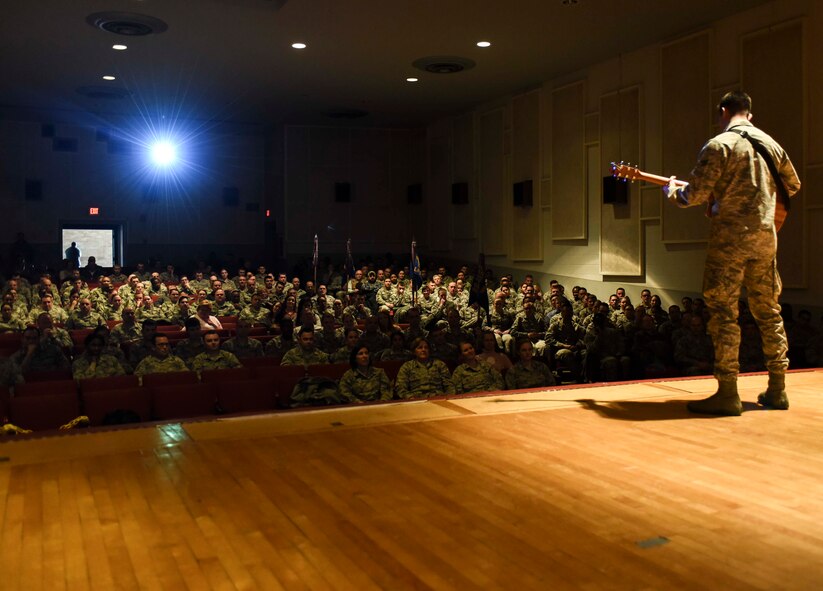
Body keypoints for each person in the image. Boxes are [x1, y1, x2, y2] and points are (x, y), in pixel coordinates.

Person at [664, 91, 801, 415]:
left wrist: (673, 191)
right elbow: (792, 186)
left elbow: (694, 194)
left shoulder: (720, 145)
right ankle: (777, 388)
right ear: (749, 114)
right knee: (768, 311)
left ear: (723, 111)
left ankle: (727, 392)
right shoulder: (771, 145)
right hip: (766, 238)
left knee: (723, 312)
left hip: (730, 241)